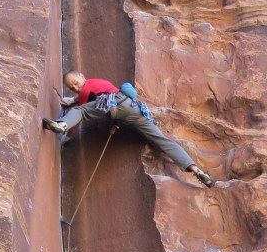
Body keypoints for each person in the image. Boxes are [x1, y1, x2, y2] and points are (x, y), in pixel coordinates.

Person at [43, 71, 216, 187]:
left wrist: (67, 137)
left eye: (75, 83)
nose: (76, 88)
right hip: (133, 109)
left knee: (78, 112)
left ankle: (61, 124)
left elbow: (82, 111)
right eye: (72, 88)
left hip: (111, 105)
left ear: (82, 76)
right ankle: (196, 170)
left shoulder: (87, 87)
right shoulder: (101, 83)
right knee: (162, 141)